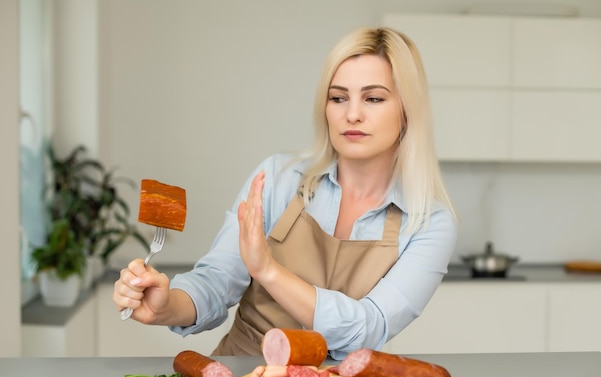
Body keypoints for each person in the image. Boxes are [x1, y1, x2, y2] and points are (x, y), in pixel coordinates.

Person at [113, 26, 457, 359]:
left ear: (407, 110)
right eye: (338, 97)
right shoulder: (278, 178)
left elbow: (368, 329)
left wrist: (269, 271)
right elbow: (218, 279)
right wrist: (167, 305)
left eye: (374, 98)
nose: (352, 114)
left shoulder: (429, 223)